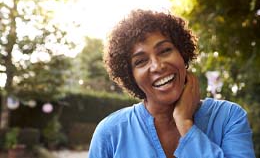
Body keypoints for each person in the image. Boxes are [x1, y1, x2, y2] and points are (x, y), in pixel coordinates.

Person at [88, 9, 255, 158]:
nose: (157, 66)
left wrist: (185, 123)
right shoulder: (111, 133)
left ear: (182, 53)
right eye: (140, 61)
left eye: (165, 50)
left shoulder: (229, 118)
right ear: (130, 76)